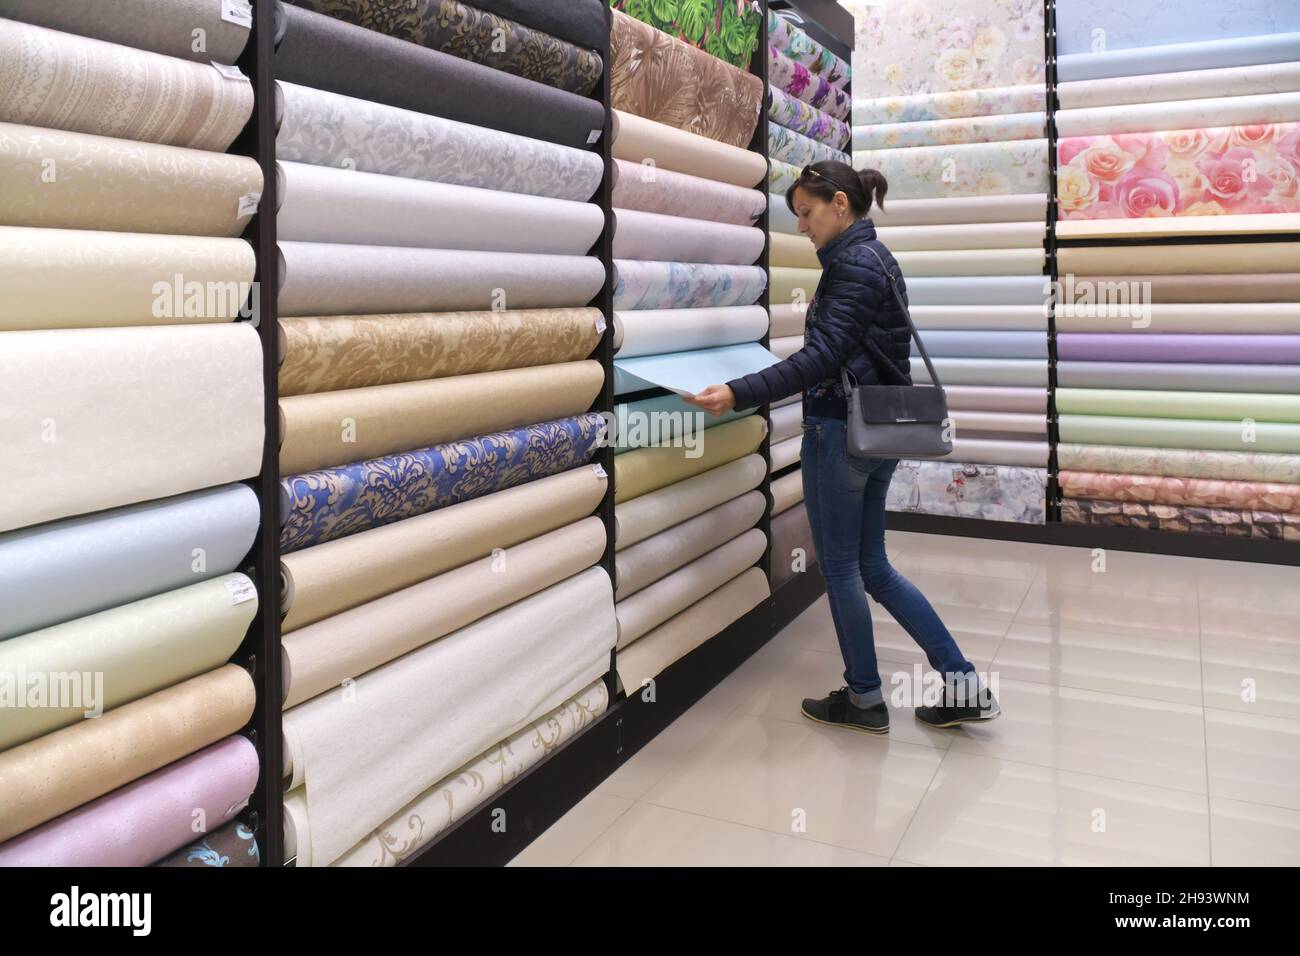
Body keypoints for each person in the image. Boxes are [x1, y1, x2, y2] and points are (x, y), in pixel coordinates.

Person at [684, 160, 1000, 733]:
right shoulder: (877, 257)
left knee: (842, 569)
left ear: (840, 205)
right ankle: (963, 684)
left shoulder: (852, 266)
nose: (802, 226)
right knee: (872, 565)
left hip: (840, 433)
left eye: (806, 213)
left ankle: (864, 698)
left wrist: (738, 391)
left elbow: (819, 360)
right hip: (879, 432)